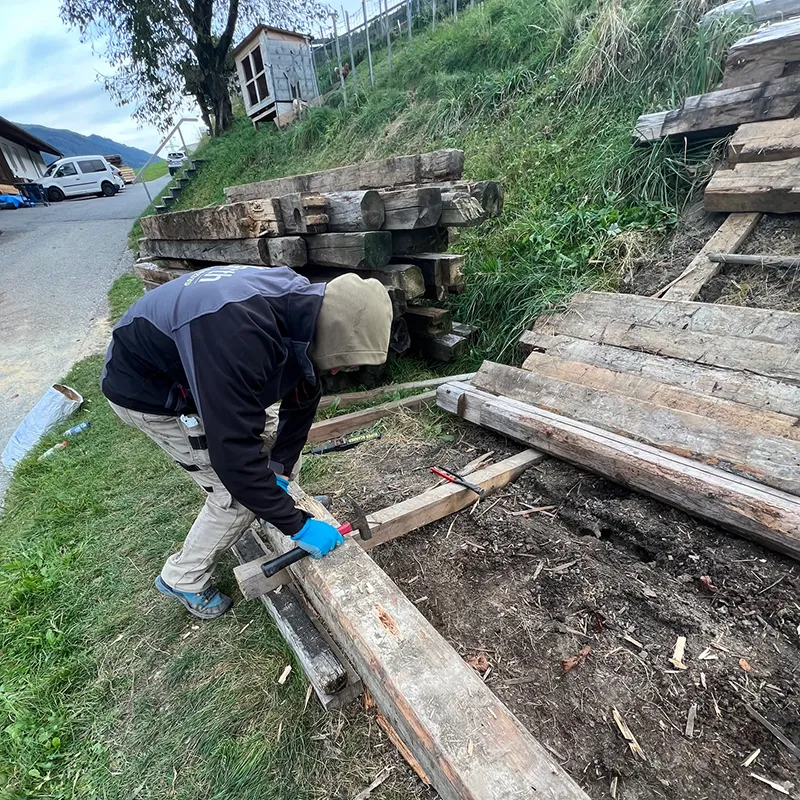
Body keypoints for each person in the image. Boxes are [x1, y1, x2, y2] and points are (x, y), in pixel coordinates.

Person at [101, 265, 393, 620]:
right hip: (148, 389)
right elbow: (234, 458)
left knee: (272, 457)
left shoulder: (303, 310)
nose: (335, 372)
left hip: (207, 369)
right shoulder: (237, 335)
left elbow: (302, 399)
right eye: (338, 364)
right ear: (327, 332)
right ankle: (182, 578)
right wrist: (298, 526)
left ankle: (271, 508)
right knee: (235, 496)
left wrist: (279, 473)